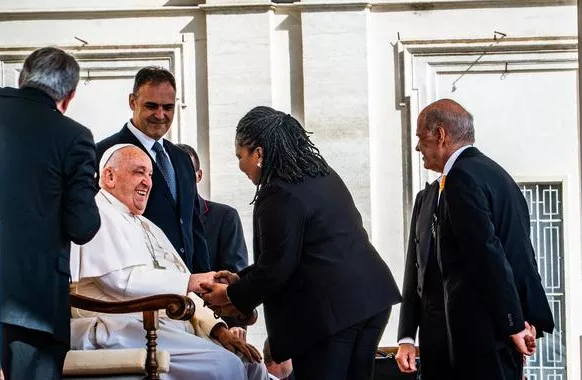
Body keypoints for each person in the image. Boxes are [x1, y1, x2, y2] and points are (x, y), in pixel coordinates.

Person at [200, 106, 402, 380]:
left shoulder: (278, 192)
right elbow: (294, 253)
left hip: (331, 314)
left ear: (258, 153)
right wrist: (240, 279)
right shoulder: (322, 174)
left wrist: (229, 295)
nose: (240, 166)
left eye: (240, 156)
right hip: (371, 299)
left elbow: (276, 269)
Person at [70, 144, 268, 380]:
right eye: (138, 172)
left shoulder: (148, 226)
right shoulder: (96, 216)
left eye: (150, 174)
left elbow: (184, 286)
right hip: (120, 328)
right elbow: (120, 281)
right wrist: (192, 280)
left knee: (252, 365)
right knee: (226, 366)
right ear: (109, 176)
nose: (147, 181)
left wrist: (219, 330)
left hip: (164, 326)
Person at [412, 98, 554, 379]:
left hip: (483, 333)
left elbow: (487, 256)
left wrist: (513, 324)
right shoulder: (497, 174)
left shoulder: (460, 178)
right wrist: (524, 318)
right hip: (503, 327)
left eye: (420, 138)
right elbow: (521, 252)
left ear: (440, 135)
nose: (418, 147)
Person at [0, 47, 101, 380]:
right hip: (32, 303)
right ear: (69, 96)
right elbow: (82, 226)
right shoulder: (73, 137)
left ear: (22, 77)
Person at [96, 66, 210, 273]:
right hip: (135, 285)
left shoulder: (182, 159)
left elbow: (193, 225)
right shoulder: (103, 154)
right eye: (151, 106)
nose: (160, 115)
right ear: (132, 102)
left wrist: (202, 281)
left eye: (168, 107)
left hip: (186, 286)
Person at [394, 179, 453, 380]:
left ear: (442, 144)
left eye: (424, 144)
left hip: (478, 336)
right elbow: (414, 267)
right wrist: (407, 337)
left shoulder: (487, 185)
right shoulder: (425, 198)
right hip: (434, 333)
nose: (418, 148)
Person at [176, 143, 248, 272]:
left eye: (186, 171)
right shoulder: (153, 218)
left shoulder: (226, 216)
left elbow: (235, 275)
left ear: (199, 176)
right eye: (173, 172)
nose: (179, 178)